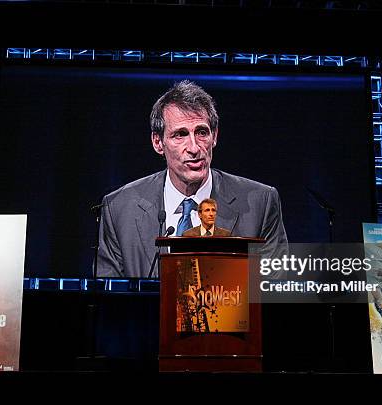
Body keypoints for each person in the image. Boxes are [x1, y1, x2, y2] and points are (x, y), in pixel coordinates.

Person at [97, 80, 288, 277]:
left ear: (215, 136)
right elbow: (108, 299)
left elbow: (278, 291)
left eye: (202, 132)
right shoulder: (119, 209)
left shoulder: (261, 203)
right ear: (158, 142)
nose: (195, 148)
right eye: (180, 135)